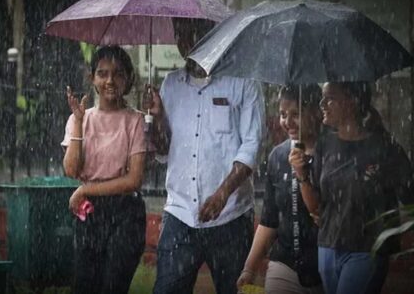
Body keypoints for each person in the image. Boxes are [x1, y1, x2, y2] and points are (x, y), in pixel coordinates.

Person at [144, 18, 265, 294]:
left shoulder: (243, 83)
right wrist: (156, 118)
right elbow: (163, 151)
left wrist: (222, 194)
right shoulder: (171, 84)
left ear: (213, 35)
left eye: (195, 33)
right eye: (180, 33)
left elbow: (252, 146)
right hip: (180, 213)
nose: (186, 41)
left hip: (231, 216)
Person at [290, 82, 412, 294]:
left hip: (366, 248)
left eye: (330, 98)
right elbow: (316, 208)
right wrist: (302, 176)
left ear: (352, 102)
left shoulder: (384, 147)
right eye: (322, 98)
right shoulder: (325, 145)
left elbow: (409, 190)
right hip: (328, 246)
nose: (322, 105)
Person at [61, 45, 147, 294]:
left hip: (125, 213)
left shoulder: (135, 120)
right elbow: (71, 169)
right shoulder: (80, 118)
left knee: (113, 286)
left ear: (128, 79)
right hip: (90, 212)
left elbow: (134, 180)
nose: (110, 80)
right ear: (92, 78)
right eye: (102, 73)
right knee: (84, 285)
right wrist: (78, 123)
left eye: (118, 74)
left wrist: (86, 189)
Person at [237, 84, 324, 294]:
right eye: (283, 114)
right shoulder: (277, 156)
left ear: (316, 112)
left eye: (296, 114)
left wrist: (304, 174)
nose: (287, 122)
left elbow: (324, 213)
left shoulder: (331, 152)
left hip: (326, 263)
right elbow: (269, 221)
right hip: (284, 264)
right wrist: (249, 268)